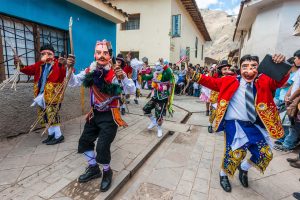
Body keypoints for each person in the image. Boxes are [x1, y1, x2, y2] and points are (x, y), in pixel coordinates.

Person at [195, 54, 288, 192]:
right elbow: (211, 82)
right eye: (245, 66)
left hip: (254, 125)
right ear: (240, 68)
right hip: (235, 124)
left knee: (265, 154)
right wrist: (194, 75)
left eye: (253, 66)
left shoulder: (265, 80)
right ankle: (223, 175)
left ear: (259, 68)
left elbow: (279, 82)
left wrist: (280, 64)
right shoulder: (229, 80)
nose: (249, 70)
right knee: (234, 153)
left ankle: (243, 168)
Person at [67, 40, 135, 192]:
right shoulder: (90, 70)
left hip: (110, 116)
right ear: (94, 54)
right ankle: (93, 169)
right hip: (94, 113)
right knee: (84, 142)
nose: (101, 56)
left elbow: (131, 90)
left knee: (102, 147)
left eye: (105, 53)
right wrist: (69, 68)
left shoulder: (115, 72)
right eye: (99, 53)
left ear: (110, 56)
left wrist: (123, 77)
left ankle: (106, 171)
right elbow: (73, 82)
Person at [14, 44, 66, 145]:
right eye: (43, 54)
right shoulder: (39, 65)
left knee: (53, 115)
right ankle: (51, 135)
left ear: (53, 54)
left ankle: (59, 136)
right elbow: (27, 69)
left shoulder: (58, 64)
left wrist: (64, 65)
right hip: (41, 95)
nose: (46, 56)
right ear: (41, 55)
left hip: (53, 95)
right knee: (45, 116)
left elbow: (66, 73)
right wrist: (18, 63)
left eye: (49, 54)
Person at [143, 60, 173, 137]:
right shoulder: (154, 74)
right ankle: (153, 122)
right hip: (155, 97)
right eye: (156, 66)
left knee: (159, 115)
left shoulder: (165, 73)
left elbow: (169, 74)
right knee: (145, 109)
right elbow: (146, 78)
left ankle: (159, 129)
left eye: (159, 65)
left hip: (162, 98)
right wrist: (142, 71)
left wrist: (164, 66)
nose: (157, 67)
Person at [207, 60, 231, 133]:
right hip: (216, 97)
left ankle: (220, 126)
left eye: (228, 69)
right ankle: (210, 125)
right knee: (213, 112)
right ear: (220, 70)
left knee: (223, 112)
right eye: (224, 69)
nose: (227, 71)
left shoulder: (231, 77)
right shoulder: (216, 76)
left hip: (225, 98)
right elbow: (211, 83)